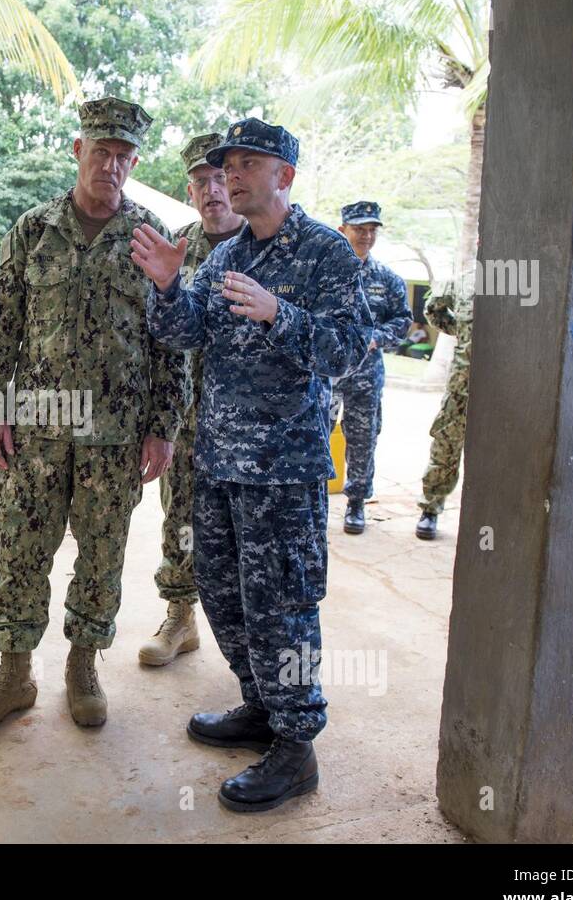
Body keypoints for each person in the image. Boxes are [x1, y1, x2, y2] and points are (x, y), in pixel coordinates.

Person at [131, 116, 371, 812]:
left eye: (246, 163)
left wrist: (280, 315)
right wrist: (171, 286)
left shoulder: (326, 253)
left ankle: (297, 747)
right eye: (226, 164)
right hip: (221, 466)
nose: (230, 175)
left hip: (284, 472)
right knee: (223, 593)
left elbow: (351, 352)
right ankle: (261, 706)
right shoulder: (226, 253)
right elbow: (180, 332)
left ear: (284, 176)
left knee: (283, 607)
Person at [0, 97, 187, 733]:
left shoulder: (148, 239)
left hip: (115, 434)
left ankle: (83, 666)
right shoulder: (32, 230)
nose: (110, 165)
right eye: (100, 151)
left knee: (102, 551)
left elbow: (170, 340)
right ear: (77, 151)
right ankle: (14, 673)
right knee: (25, 549)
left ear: (133, 163)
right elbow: (4, 328)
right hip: (36, 425)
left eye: (123, 156)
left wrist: (163, 426)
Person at [140, 131, 245, 667]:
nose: (212, 191)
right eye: (201, 182)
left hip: (245, 431)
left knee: (243, 531)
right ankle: (181, 619)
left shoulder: (261, 245)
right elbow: (157, 341)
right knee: (180, 519)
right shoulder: (174, 249)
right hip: (186, 423)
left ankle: (250, 635)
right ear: (190, 191)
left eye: (221, 179)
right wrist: (160, 422)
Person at [331, 202, 412, 534]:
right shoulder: (326, 271)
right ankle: (312, 499)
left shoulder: (387, 279)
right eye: (359, 229)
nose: (366, 236)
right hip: (328, 372)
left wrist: (377, 338)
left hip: (366, 374)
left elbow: (403, 320)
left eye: (371, 230)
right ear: (342, 230)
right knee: (316, 432)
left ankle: (356, 502)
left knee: (363, 436)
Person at [414, 276, 473, 540]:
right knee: (446, 444)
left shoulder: (522, 279)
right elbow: (433, 309)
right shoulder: (463, 281)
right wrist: (461, 329)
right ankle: (430, 508)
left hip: (506, 384)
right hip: (463, 380)